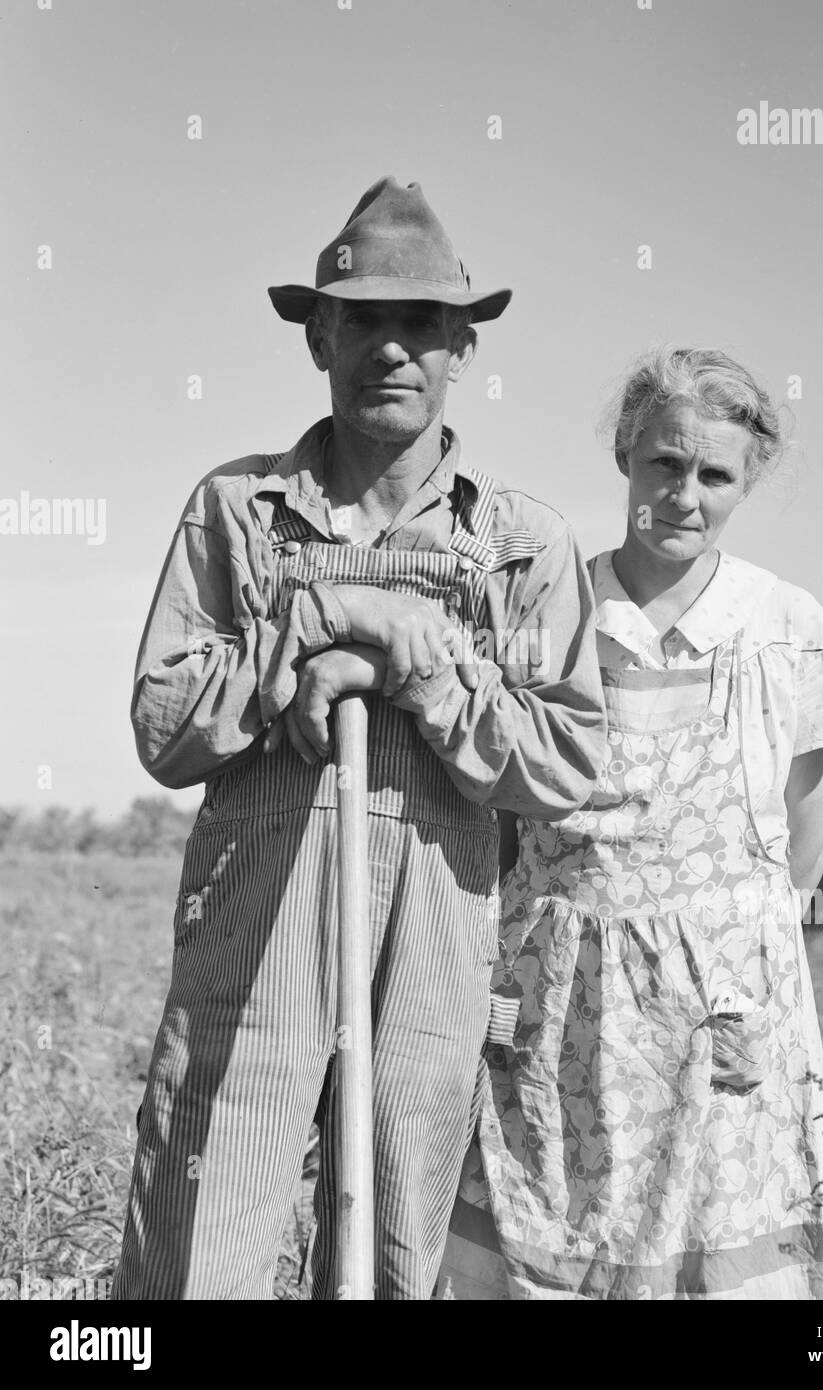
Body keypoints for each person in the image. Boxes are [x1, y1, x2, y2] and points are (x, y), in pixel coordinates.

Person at [111, 176, 606, 1301]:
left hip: (437, 916)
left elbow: (567, 761)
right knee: (207, 1216)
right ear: (319, 334)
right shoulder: (238, 508)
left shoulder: (522, 541)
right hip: (258, 907)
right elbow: (166, 724)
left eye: (422, 325)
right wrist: (326, 616)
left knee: (396, 1232)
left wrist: (417, 665)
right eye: (366, 321)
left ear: (462, 346)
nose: (393, 349)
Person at [440, 345, 823, 1300]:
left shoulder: (781, 623)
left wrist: (731, 937)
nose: (685, 493)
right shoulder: (550, 607)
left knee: (714, 1246)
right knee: (542, 1222)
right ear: (625, 457)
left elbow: (809, 814)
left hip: (719, 997)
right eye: (664, 463)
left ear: (745, 481)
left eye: (713, 474)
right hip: (554, 979)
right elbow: (503, 802)